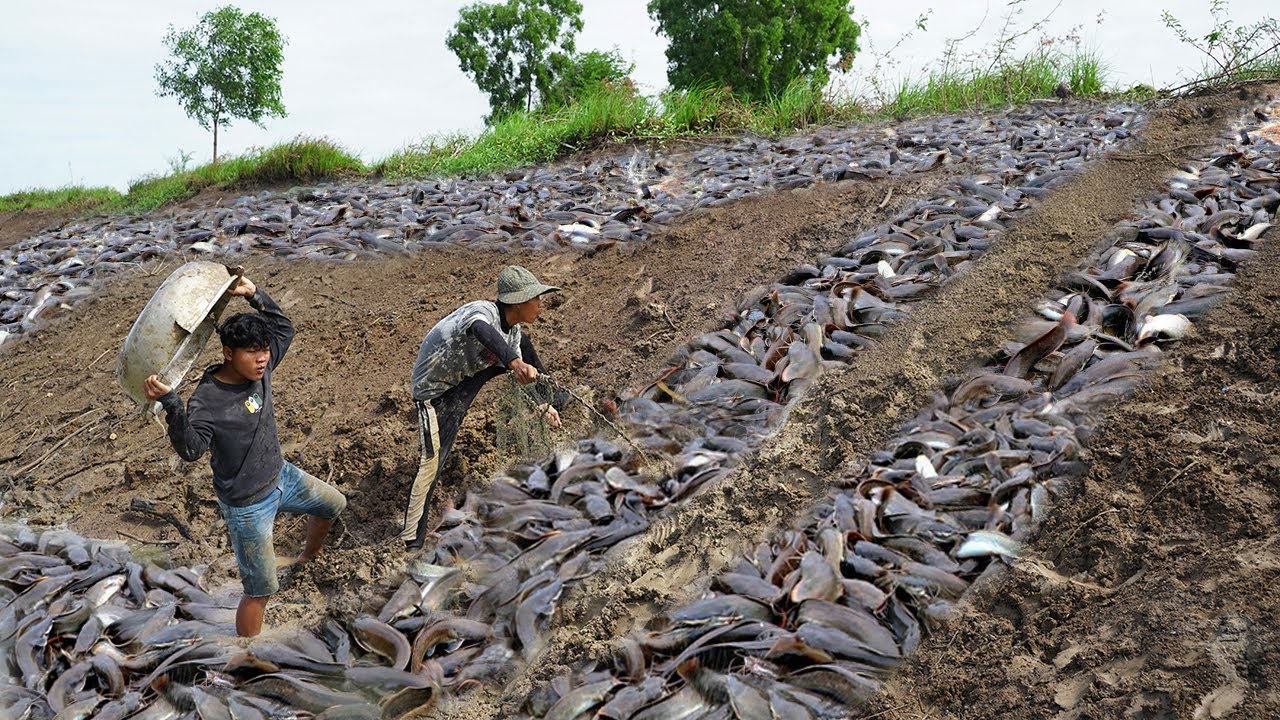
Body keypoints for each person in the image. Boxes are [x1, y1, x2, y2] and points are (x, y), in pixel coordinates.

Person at [143, 275, 346, 637]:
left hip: (281, 476)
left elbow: (285, 328)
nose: (262, 357)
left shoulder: (263, 367)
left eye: (264, 349)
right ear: (227, 353)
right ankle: (245, 655)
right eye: (252, 351)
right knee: (260, 591)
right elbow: (191, 450)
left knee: (333, 504)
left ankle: (307, 557)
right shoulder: (207, 401)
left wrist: (254, 294)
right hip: (246, 505)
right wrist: (172, 404)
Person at [403, 265, 565, 550]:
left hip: (466, 377)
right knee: (432, 462)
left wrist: (542, 403)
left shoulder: (514, 334)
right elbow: (480, 330)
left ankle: (553, 398)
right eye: (535, 299)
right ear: (518, 301)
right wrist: (514, 363)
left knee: (521, 349)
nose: (541, 305)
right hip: (435, 390)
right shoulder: (481, 312)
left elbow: (517, 364)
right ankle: (411, 541)